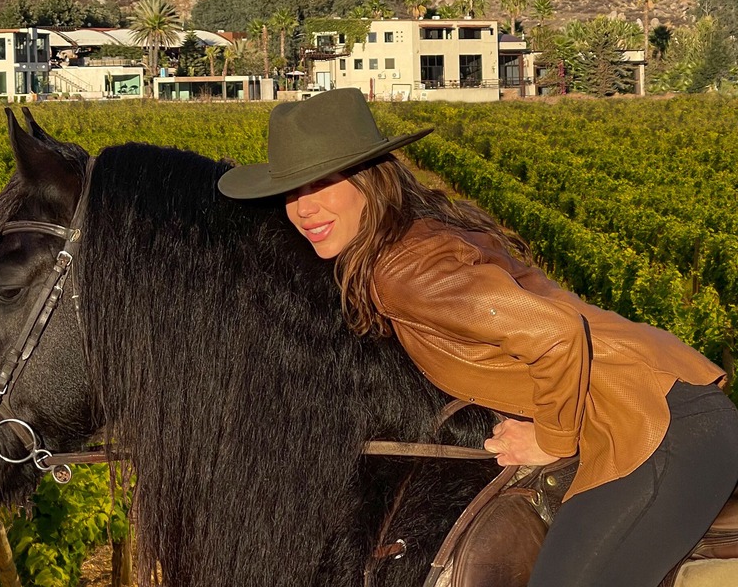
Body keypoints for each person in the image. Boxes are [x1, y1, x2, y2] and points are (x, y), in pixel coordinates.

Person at [216, 88, 738, 587]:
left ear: (369, 180)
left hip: (656, 426)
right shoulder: (414, 239)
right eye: (292, 191)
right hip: (657, 406)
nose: (304, 209)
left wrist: (551, 437)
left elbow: (556, 335)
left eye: (321, 183)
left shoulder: (402, 271)